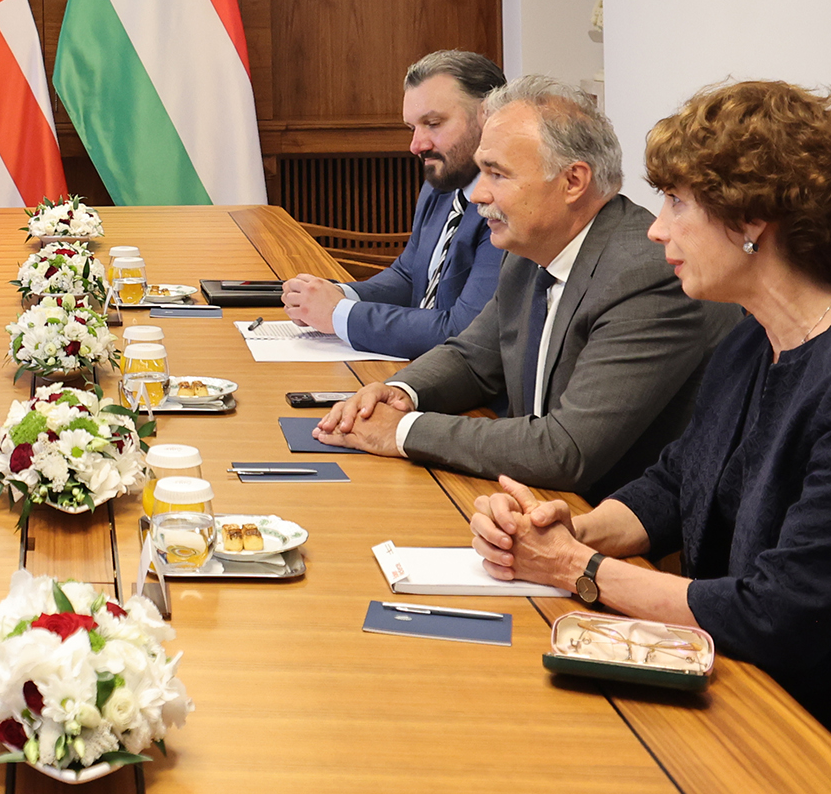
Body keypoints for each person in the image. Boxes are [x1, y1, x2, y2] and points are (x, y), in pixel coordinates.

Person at [468, 82, 831, 787]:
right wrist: (568, 531)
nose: (656, 229)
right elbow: (679, 480)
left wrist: (575, 569)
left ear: (752, 220)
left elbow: (777, 615)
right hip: (749, 691)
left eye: (676, 203)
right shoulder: (752, 338)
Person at [314, 75, 736, 498]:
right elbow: (473, 357)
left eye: (497, 174)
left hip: (613, 519)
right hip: (535, 502)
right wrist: (400, 392)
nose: (478, 195)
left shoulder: (646, 276)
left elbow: (565, 450)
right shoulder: (528, 249)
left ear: (573, 181)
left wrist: (403, 431)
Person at [280, 50, 507, 357]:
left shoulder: (506, 206)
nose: (416, 146)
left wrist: (339, 314)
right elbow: (409, 275)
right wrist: (336, 295)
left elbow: (461, 332)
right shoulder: (439, 186)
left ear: (489, 117)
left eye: (433, 123)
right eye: (412, 128)